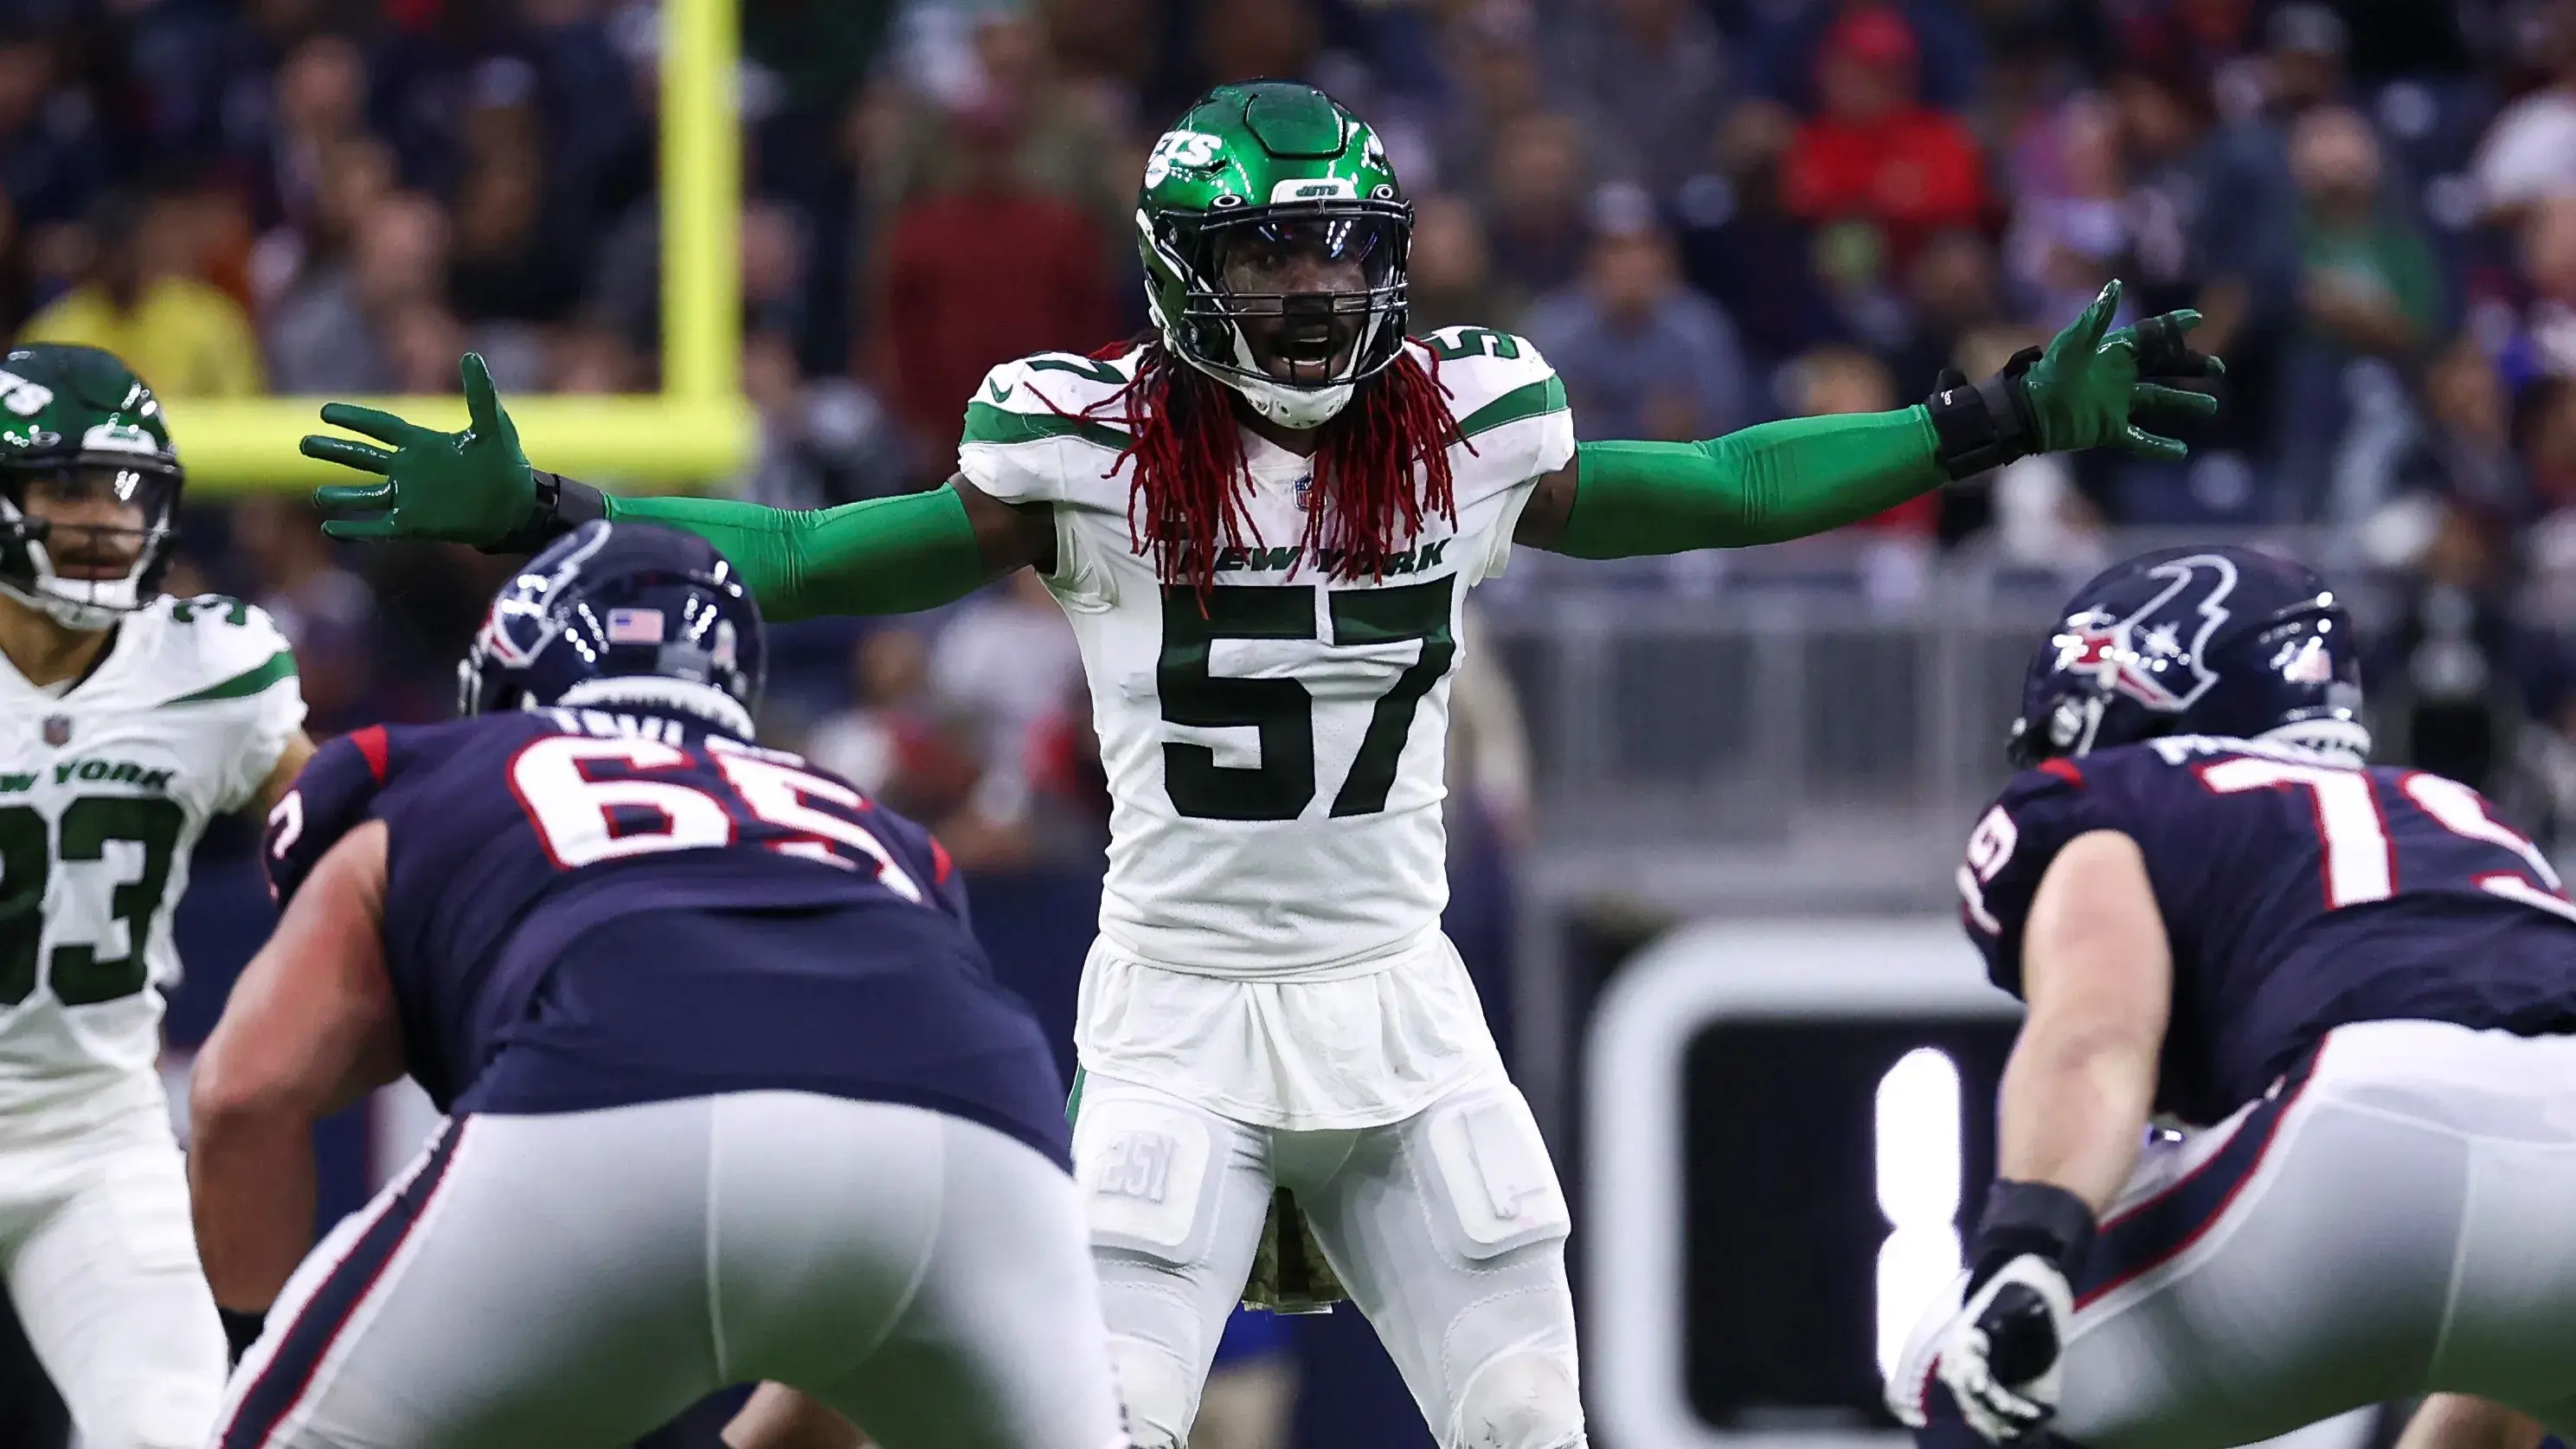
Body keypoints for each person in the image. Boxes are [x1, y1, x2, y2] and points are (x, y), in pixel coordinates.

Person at [297, 80, 2222, 1449]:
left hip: (1402, 998)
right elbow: (806, 558)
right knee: (1108, 1426)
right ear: (1173, 272)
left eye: (1338, 259)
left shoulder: (1466, 425)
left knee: (1532, 1420)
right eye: (1266, 262)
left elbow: (1719, 482)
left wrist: (1987, 422)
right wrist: (555, 505)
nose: (1311, 299)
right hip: (1178, 1017)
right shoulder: (1086, 455)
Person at [187, 520, 1124, 1449]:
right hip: (988, 1142)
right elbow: (855, 1324)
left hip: (614, 1090)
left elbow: (244, 1092)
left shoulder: (435, 771)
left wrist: (251, 1353)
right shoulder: (874, 828)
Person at [1892, 545, 2576, 1449]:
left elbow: (2096, 1032)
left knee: (1958, 1368)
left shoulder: (2126, 795)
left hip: (2358, 1131)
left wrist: (2029, 1252)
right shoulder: (2468, 821)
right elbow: (2497, 1361)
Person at [0, 343, 311, 1449]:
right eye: (69, 486)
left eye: (128, 491)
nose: (104, 520)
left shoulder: (206, 670)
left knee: (172, 1427)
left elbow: (343, 846)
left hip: (93, 1134)